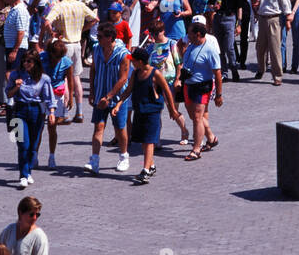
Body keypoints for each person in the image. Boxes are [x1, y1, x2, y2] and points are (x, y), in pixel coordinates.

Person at [120, 46, 175, 184]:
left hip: (152, 111)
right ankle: (151, 165)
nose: (131, 62)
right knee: (143, 141)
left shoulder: (155, 74)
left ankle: (145, 171)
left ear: (140, 61)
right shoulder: (136, 73)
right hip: (140, 110)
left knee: (149, 140)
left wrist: (172, 109)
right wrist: (118, 103)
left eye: (133, 60)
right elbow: (128, 90)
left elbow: (167, 90)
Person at [46, 0, 96, 123]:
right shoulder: (80, 5)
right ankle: (79, 112)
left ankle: (64, 113)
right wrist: (82, 29)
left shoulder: (59, 6)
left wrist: (52, 33)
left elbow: (47, 21)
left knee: (62, 79)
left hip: (64, 44)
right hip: (77, 43)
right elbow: (95, 19)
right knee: (76, 77)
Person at [173, 20, 222, 161]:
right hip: (188, 85)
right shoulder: (190, 45)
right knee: (194, 116)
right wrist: (179, 79)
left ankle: (196, 149)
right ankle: (211, 138)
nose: (187, 36)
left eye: (190, 34)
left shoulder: (210, 49)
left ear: (198, 34)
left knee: (197, 118)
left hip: (202, 86)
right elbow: (184, 64)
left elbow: (218, 73)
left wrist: (219, 95)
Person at [90, 23, 132, 174]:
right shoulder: (96, 49)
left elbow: (123, 78)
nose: (97, 39)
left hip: (117, 99)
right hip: (100, 95)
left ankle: (123, 157)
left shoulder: (124, 54)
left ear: (109, 38)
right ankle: (94, 159)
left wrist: (109, 97)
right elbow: (93, 70)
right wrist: (93, 92)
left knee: (120, 129)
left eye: (100, 36)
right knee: (98, 127)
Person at [8, 49, 53, 186]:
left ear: (35, 63)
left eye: (29, 61)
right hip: (19, 111)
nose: (26, 63)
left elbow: (48, 97)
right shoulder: (15, 75)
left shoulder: (43, 78)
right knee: (23, 145)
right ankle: (23, 174)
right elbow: (9, 94)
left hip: (36, 111)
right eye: (24, 61)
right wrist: (16, 87)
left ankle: (28, 171)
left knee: (33, 146)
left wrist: (51, 112)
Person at [251, 0, 291, 85]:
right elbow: (260, 2)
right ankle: (261, 69)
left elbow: (285, 4)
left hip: (274, 19)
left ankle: (277, 75)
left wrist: (288, 19)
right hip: (262, 19)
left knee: (274, 49)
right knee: (260, 47)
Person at [207, 0, 244, 82]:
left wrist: (239, 24)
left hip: (230, 18)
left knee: (229, 47)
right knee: (220, 48)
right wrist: (213, 7)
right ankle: (224, 72)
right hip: (218, 18)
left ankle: (233, 68)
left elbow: (239, 7)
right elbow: (209, 4)